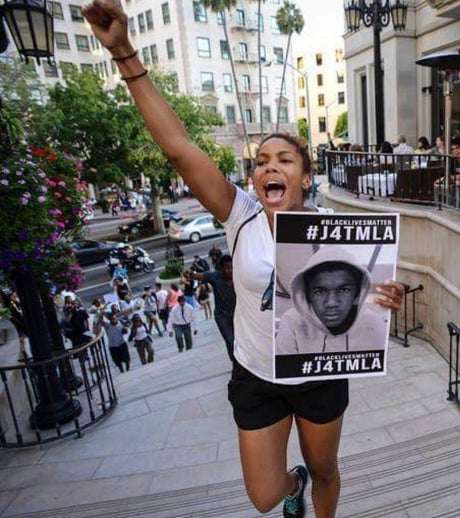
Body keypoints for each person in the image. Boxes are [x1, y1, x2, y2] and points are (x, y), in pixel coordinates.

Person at [82, 4, 404, 517]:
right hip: (256, 374)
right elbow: (179, 147)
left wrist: (386, 295)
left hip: (319, 372)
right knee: (263, 498)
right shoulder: (240, 214)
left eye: (284, 160)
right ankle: (291, 484)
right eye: (260, 162)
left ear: (304, 175)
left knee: (325, 470)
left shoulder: (336, 228)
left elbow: (364, 290)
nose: (268, 167)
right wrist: (124, 52)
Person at [276, 247, 388, 355]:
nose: (331, 303)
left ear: (357, 295)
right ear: (307, 296)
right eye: (319, 292)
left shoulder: (374, 324)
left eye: (344, 290)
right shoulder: (292, 322)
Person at [184, 254, 236, 362]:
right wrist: (191, 275)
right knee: (230, 340)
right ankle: (235, 363)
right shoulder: (215, 276)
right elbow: (200, 276)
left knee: (240, 342)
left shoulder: (239, 275)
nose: (230, 270)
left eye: (232, 267)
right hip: (222, 317)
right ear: (221, 269)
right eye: (226, 268)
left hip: (237, 315)